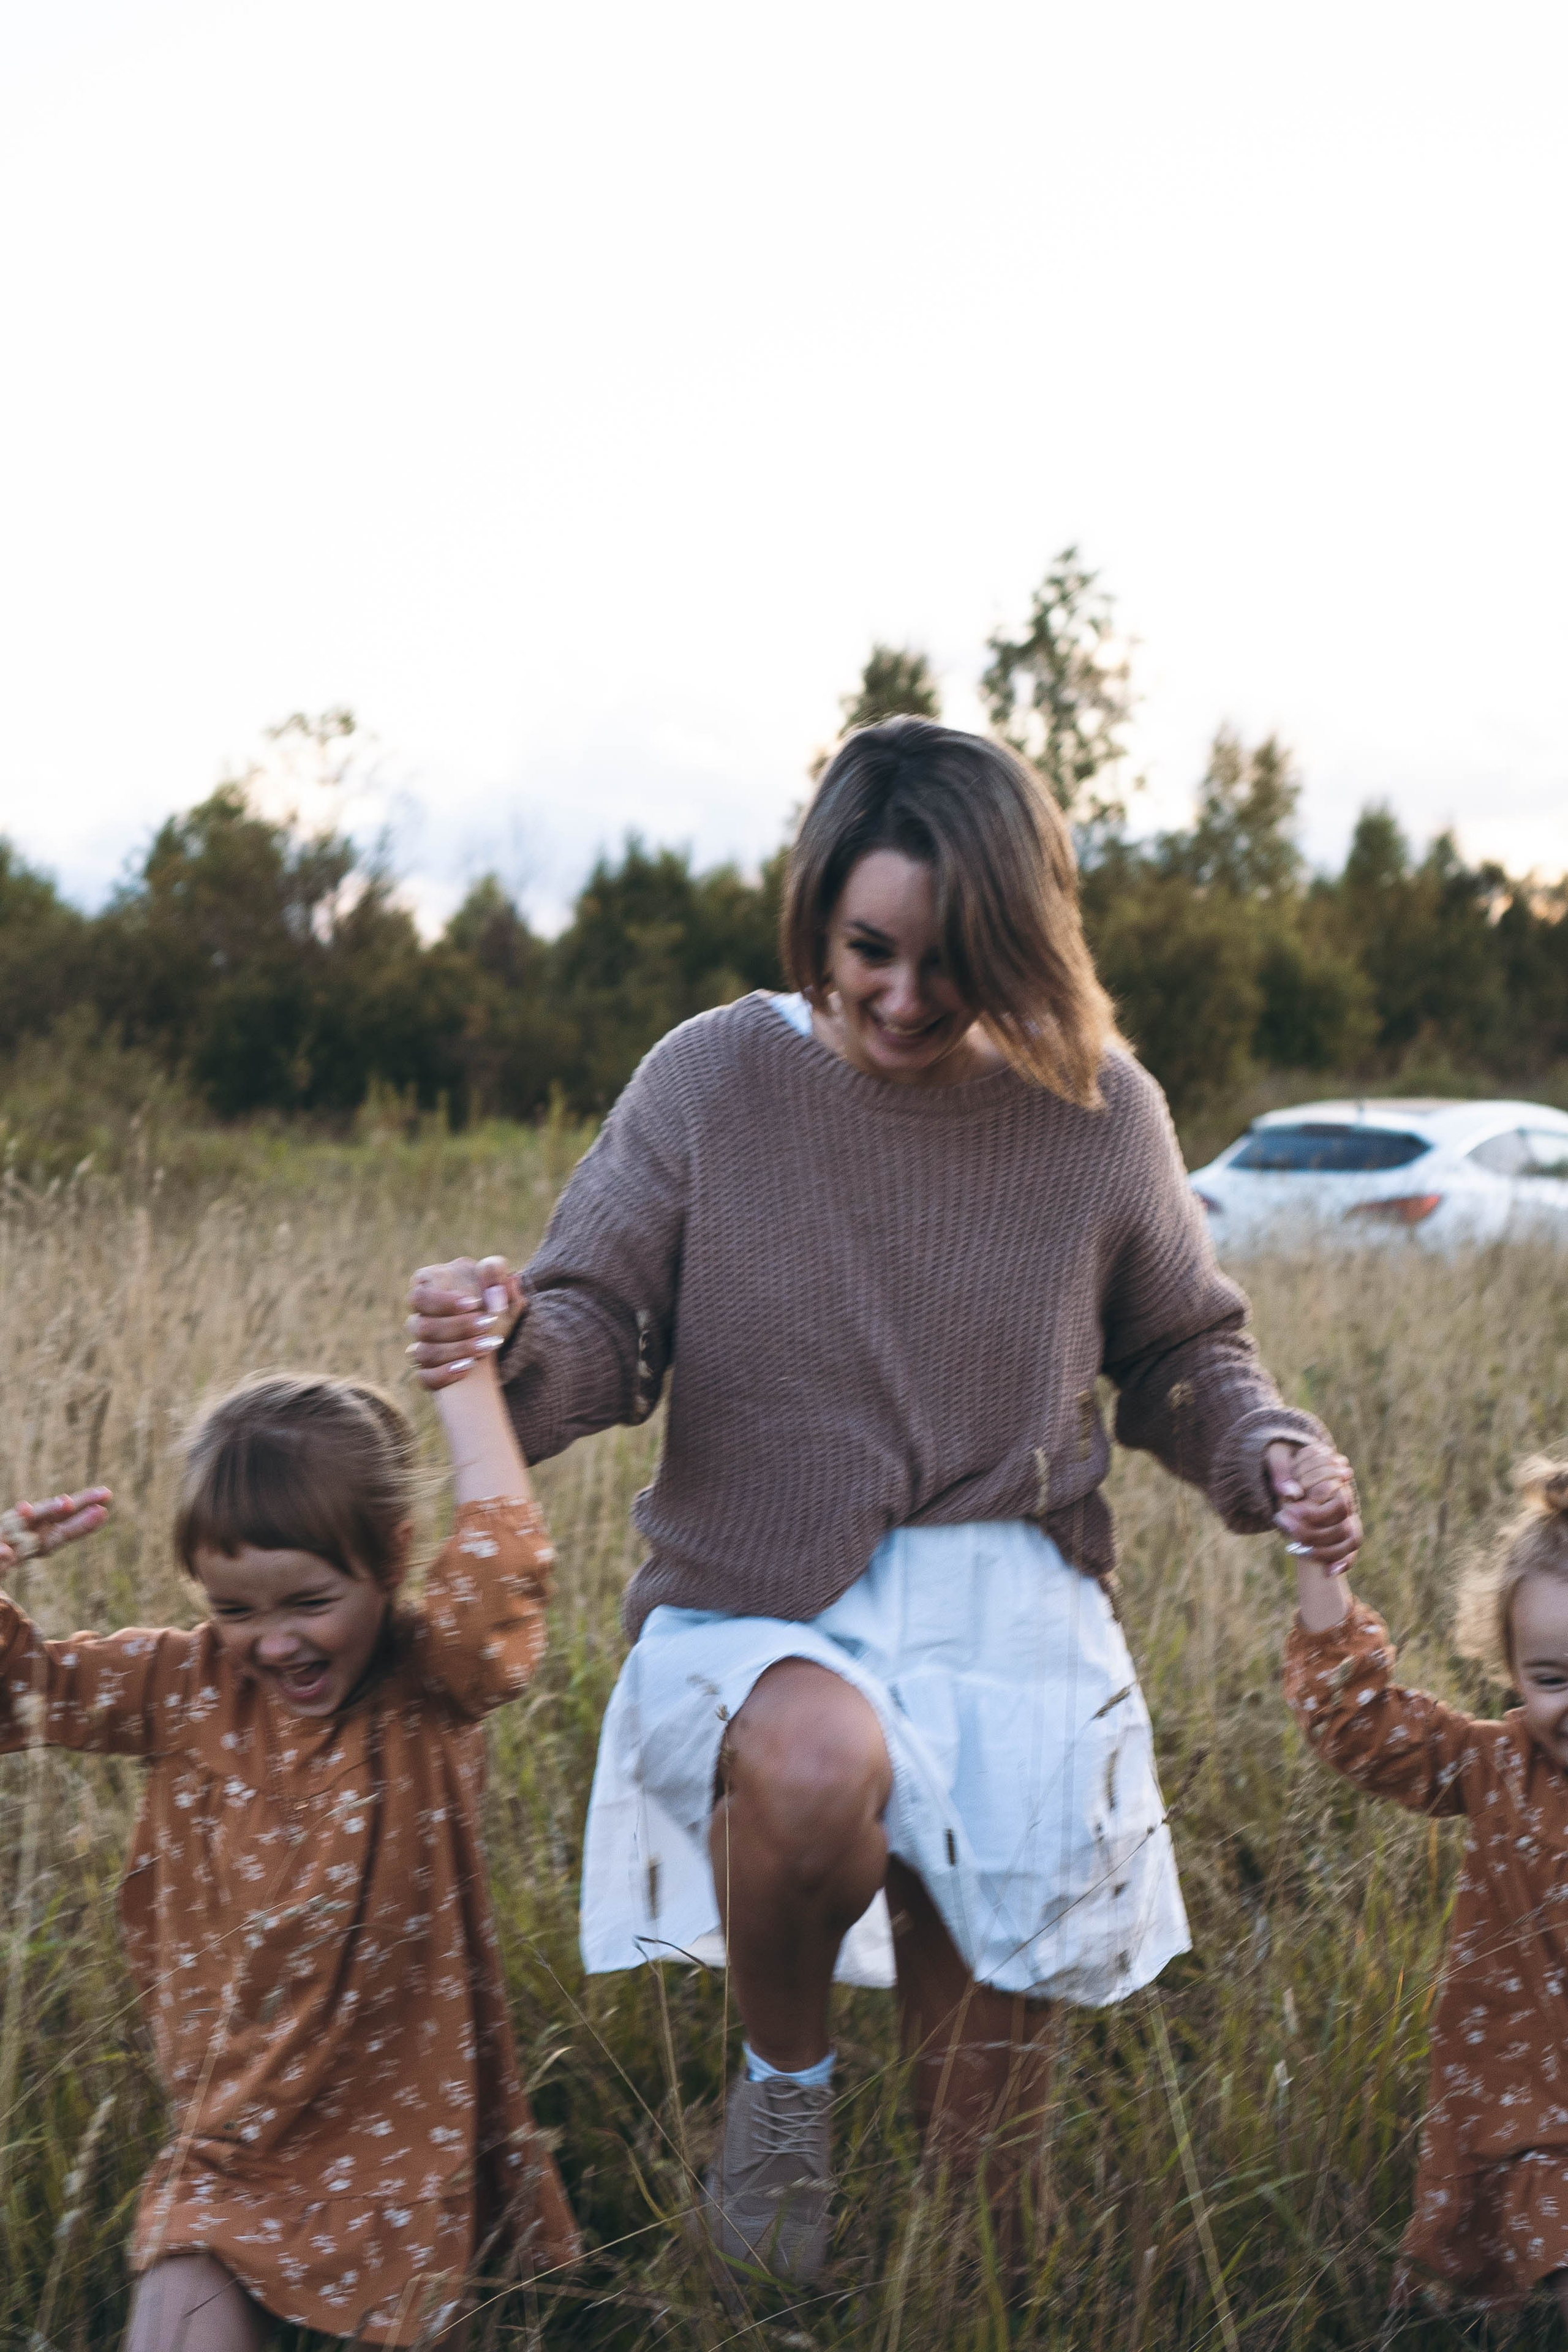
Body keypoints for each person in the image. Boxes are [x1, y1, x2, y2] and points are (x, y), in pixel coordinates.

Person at [407, 717, 1360, 2283]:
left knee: (990, 2190)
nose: (904, 998)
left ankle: (960, 2263)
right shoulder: (712, 1077)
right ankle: (782, 2104)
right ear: (814, 916)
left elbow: (1185, 1346)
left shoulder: (1099, 1111)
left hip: (1011, 1620)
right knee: (809, 1758)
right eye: (868, 950)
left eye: (953, 960)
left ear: (1021, 943)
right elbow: (596, 1324)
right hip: (762, 1599)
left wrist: (1264, 1454)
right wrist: (493, 1355)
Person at [0, 1346, 578, 2346]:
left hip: (406, 2138)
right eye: (234, 1610)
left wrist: (465, 1382)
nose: (272, 1644)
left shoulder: (427, 1687)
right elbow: (25, 1693)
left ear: (392, 1561)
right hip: (235, 2138)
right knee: (173, 2314)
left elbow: (497, 1578)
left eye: (310, 1604)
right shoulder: (183, 1686)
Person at [1286, 1456, 1568, 2317]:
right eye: (1553, 1678)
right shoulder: (1494, 1766)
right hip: (1517, 2123)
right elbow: (1360, 1724)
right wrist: (1317, 1564)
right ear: (1510, 1669)